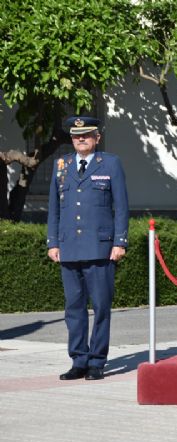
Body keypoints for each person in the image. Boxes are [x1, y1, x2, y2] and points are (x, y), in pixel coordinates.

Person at [47, 116, 129, 380]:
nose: (81, 139)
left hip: (100, 247)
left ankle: (97, 361)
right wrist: (53, 242)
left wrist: (119, 242)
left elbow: (121, 207)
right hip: (69, 246)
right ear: (72, 139)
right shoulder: (62, 165)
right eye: (76, 136)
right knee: (73, 308)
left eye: (86, 135)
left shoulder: (111, 163)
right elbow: (54, 208)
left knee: (102, 306)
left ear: (97, 137)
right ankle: (79, 360)